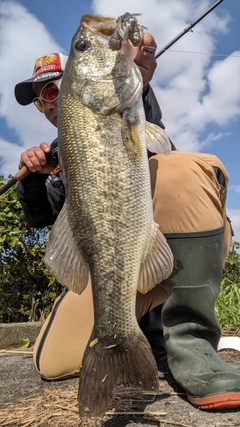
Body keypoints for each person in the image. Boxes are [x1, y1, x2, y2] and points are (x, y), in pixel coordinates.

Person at [15, 32, 240, 410]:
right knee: (53, 362)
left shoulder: (126, 106)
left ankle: (192, 344)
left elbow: (146, 124)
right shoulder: (60, 165)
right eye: (40, 102)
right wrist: (34, 180)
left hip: (167, 257)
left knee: (180, 168)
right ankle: (139, 340)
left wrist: (135, 78)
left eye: (53, 91)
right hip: (118, 279)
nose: (48, 104)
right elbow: (46, 219)